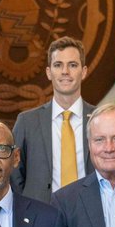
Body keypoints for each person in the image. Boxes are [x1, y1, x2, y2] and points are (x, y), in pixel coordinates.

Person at [11, 37, 93, 201]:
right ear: (49, 72)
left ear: (83, 71)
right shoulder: (27, 122)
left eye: (72, 65)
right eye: (58, 65)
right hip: (39, 215)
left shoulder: (100, 119)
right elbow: (14, 174)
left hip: (88, 213)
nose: (65, 71)